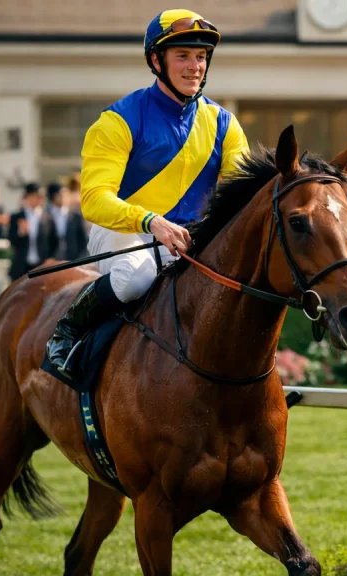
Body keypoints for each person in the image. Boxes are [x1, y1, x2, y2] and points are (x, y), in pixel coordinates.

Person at [44, 9, 249, 376]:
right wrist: (151, 220)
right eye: (183, 56)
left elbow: (241, 196)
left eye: (201, 57)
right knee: (136, 278)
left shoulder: (224, 124)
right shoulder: (118, 120)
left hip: (188, 239)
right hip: (123, 231)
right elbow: (93, 201)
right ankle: (68, 331)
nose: (194, 67)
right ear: (156, 60)